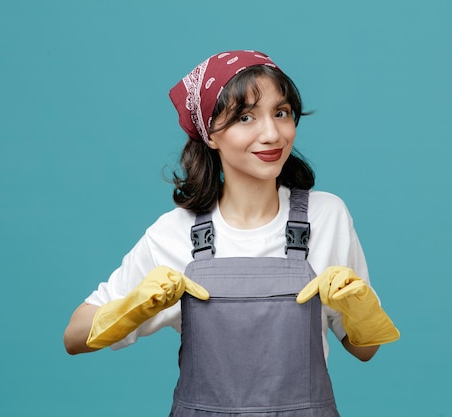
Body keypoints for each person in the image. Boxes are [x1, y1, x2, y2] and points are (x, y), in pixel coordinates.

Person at [63, 50, 399, 416]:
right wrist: (131, 308)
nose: (271, 133)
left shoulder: (327, 216)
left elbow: (364, 350)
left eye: (281, 113)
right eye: (245, 117)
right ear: (210, 135)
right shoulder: (173, 233)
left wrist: (358, 307)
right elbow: (74, 336)